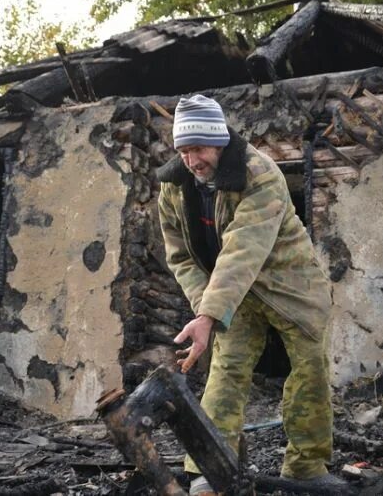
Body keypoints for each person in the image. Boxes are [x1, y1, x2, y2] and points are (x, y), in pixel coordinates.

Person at [156, 94, 341, 494]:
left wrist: (207, 316)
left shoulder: (260, 173)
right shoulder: (172, 187)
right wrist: (206, 308)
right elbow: (181, 257)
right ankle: (209, 468)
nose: (192, 161)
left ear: (220, 140)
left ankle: (306, 467)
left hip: (291, 285)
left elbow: (244, 248)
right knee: (227, 368)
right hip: (228, 292)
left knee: (310, 367)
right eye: (184, 151)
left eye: (199, 148)